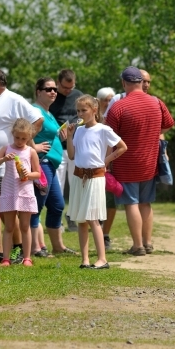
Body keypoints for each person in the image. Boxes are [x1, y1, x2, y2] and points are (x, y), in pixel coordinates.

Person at [105, 66, 175, 256]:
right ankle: (148, 242)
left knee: (132, 203)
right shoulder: (156, 102)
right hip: (150, 162)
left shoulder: (118, 107)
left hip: (126, 163)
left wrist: (107, 161)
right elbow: (169, 124)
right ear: (141, 82)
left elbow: (108, 136)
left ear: (124, 83)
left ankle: (137, 246)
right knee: (146, 203)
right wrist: (152, 133)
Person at [0, 68, 42, 264]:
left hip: (7, 170)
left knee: (6, 213)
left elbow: (37, 119)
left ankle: (17, 250)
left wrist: (24, 144)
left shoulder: (14, 99)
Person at [67, 95, 127, 269]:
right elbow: (72, 155)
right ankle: (85, 259)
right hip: (79, 177)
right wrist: (69, 137)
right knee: (81, 220)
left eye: (84, 110)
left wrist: (106, 161)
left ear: (94, 110)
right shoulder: (78, 130)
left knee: (93, 218)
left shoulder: (103, 129)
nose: (80, 114)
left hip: (95, 177)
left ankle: (102, 258)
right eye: (78, 111)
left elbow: (122, 147)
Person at [0, 119, 41, 267]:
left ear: (29, 138)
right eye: (17, 137)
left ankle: (27, 257)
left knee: (25, 226)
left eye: (24, 138)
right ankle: (6, 258)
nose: (20, 141)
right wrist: (4, 159)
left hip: (25, 191)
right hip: (9, 190)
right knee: (9, 226)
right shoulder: (6, 149)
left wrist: (28, 174)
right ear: (13, 134)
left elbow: (38, 173)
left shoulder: (31, 152)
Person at [29, 77, 74, 257]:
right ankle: (35, 248)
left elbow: (51, 135)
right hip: (42, 162)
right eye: (48, 89)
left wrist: (64, 135)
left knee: (57, 205)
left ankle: (58, 246)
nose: (53, 92)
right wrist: (34, 147)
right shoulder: (34, 111)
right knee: (37, 206)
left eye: (55, 89)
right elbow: (23, 133)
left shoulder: (48, 113)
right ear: (38, 91)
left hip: (51, 164)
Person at [49, 69, 83, 232]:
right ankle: (58, 221)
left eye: (71, 87)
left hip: (75, 146)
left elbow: (84, 115)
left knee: (76, 182)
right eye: (64, 87)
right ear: (58, 82)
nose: (68, 91)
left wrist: (77, 124)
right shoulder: (52, 96)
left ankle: (72, 217)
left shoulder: (78, 95)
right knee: (59, 185)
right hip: (58, 148)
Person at [96, 86, 117, 248]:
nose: (108, 103)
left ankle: (106, 234)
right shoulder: (91, 118)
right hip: (93, 166)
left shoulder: (116, 116)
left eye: (111, 99)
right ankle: (96, 232)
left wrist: (108, 161)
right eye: (105, 100)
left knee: (110, 201)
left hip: (110, 165)